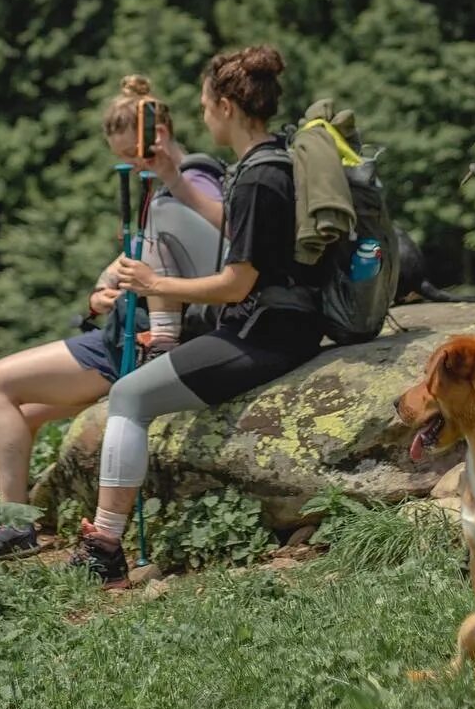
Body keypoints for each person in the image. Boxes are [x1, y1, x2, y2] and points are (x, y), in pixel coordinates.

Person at [69, 44, 326, 588]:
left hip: (269, 334)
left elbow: (237, 285)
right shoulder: (266, 160)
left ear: (227, 106)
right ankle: (106, 545)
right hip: (278, 325)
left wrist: (154, 283)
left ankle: (104, 548)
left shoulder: (259, 176)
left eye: (207, 105)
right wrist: (173, 174)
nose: (204, 114)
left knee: (129, 396)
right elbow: (238, 228)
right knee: (134, 392)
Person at [0, 76, 225, 557]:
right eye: (121, 155)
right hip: (120, 331)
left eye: (135, 152)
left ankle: (11, 527)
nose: (129, 164)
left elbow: (209, 251)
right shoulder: (162, 185)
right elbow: (138, 255)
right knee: (19, 413)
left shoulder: (193, 181)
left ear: (159, 135)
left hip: (134, 347)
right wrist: (99, 294)